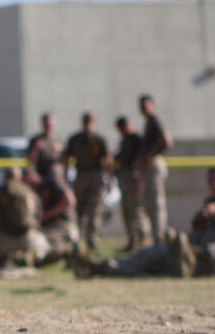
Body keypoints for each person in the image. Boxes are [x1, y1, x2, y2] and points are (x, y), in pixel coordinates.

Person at [74, 167, 215, 278]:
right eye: (211, 182)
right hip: (188, 246)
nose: (214, 186)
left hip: (205, 253)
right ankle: (102, 267)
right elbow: (196, 226)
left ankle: (104, 268)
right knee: (146, 254)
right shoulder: (210, 200)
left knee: (152, 262)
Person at [63, 112, 111, 250]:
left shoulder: (99, 139)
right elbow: (66, 158)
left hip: (95, 175)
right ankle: (78, 240)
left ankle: (92, 241)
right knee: (80, 210)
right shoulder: (76, 139)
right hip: (82, 175)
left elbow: (107, 159)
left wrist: (108, 178)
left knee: (94, 210)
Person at [139, 94, 173, 244]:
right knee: (149, 202)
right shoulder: (148, 122)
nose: (143, 109)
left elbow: (167, 141)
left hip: (154, 165)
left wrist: (153, 155)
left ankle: (160, 237)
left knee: (156, 202)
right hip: (149, 166)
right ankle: (156, 236)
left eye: (145, 105)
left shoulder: (155, 120)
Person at [114, 116, 148, 252]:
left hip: (133, 178)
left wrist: (139, 181)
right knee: (127, 211)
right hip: (124, 178)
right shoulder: (124, 141)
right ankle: (132, 241)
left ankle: (142, 239)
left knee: (135, 210)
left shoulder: (136, 140)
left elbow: (140, 160)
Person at [27, 112, 64, 182]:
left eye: (50, 124)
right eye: (46, 124)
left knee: (55, 170)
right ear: (43, 124)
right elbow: (30, 160)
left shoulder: (58, 140)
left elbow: (64, 158)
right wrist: (36, 148)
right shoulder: (36, 140)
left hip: (57, 175)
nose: (49, 126)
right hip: (41, 174)